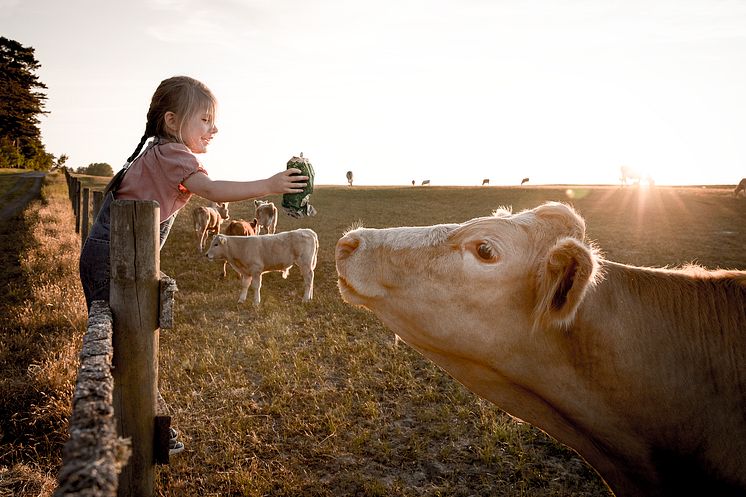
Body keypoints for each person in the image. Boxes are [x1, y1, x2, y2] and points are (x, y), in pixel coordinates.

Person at [78, 75, 307, 455]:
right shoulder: (173, 155)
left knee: (126, 343)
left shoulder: (157, 151)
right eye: (204, 120)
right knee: (127, 344)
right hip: (115, 261)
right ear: (171, 122)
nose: (213, 128)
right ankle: (138, 426)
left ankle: (133, 421)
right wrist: (270, 184)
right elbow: (214, 190)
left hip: (116, 256)